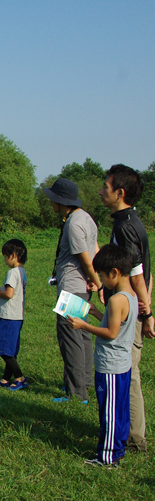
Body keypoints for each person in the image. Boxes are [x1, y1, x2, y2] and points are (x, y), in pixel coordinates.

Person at [67, 244, 137, 467]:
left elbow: (111, 333)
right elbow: (115, 324)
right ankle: (119, 447)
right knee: (120, 410)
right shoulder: (130, 295)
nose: (101, 282)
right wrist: (97, 312)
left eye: (103, 277)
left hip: (111, 367)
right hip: (122, 365)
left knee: (110, 413)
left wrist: (82, 325)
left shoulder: (117, 300)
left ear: (114, 272)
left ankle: (107, 456)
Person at [98, 164, 152, 452]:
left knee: (128, 373)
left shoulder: (125, 226)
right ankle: (127, 432)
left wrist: (146, 313)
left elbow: (138, 272)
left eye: (105, 187)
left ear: (119, 193)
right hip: (129, 305)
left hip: (128, 309)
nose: (100, 191)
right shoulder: (131, 221)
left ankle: (133, 437)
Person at [44, 178, 102, 404]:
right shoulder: (86, 218)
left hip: (71, 288)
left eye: (52, 198)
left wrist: (96, 280)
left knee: (70, 338)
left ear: (61, 200)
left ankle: (76, 393)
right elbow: (96, 250)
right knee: (83, 334)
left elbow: (86, 259)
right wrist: (94, 280)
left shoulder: (74, 223)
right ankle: (85, 382)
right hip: (81, 287)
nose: (50, 202)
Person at [0, 239, 29, 391]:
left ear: (13, 255)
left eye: (5, 256)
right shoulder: (22, 272)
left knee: (4, 350)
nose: (4, 260)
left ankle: (20, 378)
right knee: (11, 349)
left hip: (8, 316)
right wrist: (0, 288)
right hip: (17, 316)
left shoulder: (12, 272)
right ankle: (6, 379)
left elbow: (9, 294)